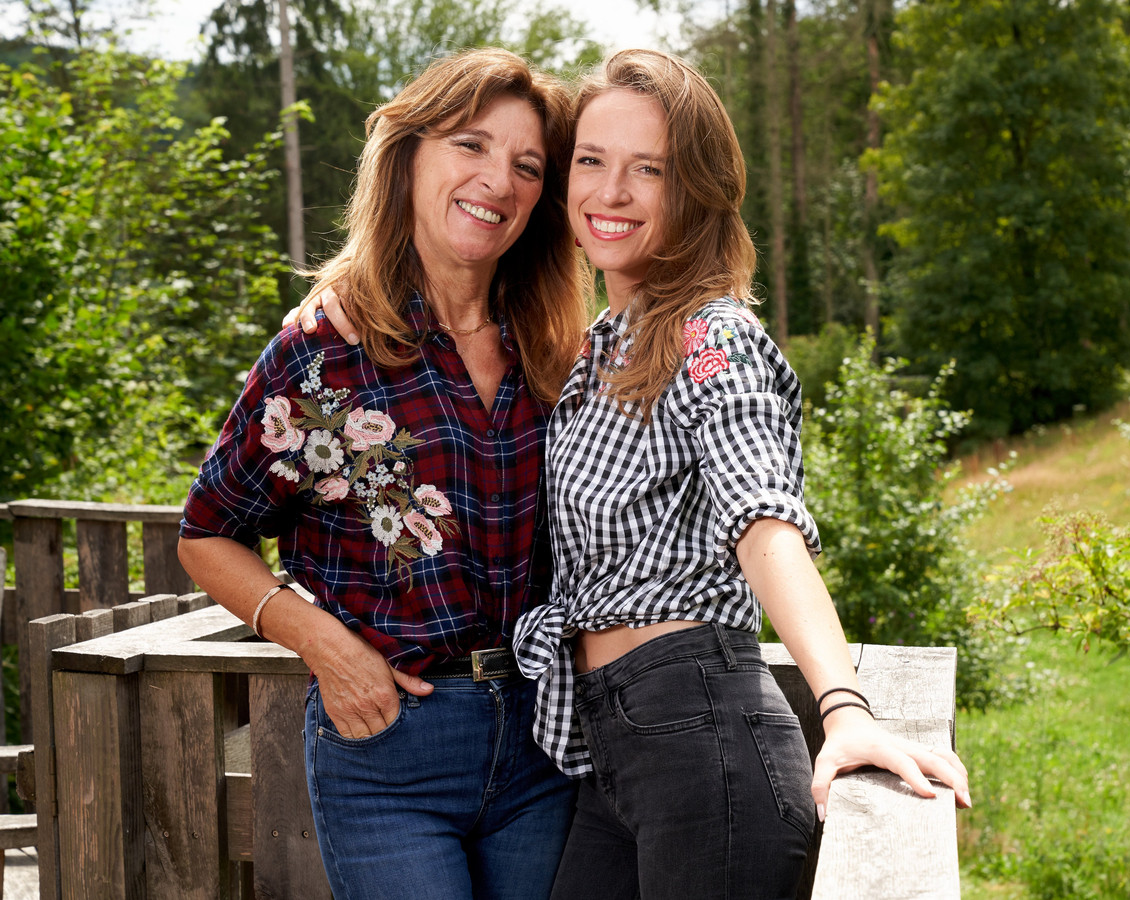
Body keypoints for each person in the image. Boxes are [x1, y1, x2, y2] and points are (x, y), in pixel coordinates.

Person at [296, 48, 971, 900]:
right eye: (590, 161)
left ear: (693, 189)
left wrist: (842, 705)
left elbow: (763, 522)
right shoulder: (592, 352)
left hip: (703, 741)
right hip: (605, 753)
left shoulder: (707, 339)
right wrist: (338, 300)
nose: (609, 193)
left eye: (646, 169)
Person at [178, 48, 588, 900]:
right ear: (408, 157)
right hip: (392, 739)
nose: (498, 182)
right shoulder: (322, 352)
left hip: (549, 741)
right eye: (469, 146)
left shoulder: (556, 353)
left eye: (526, 166)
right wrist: (326, 647)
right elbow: (206, 535)